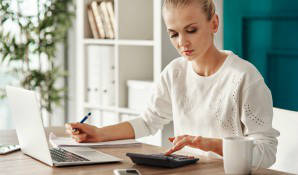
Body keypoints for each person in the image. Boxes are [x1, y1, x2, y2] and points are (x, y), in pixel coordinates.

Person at [65, 0, 279, 169]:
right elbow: (148, 121)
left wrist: (209, 144)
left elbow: (266, 153)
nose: (182, 43)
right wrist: (99, 134)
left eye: (191, 30)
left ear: (214, 23)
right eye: (174, 34)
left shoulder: (244, 77)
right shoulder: (175, 72)